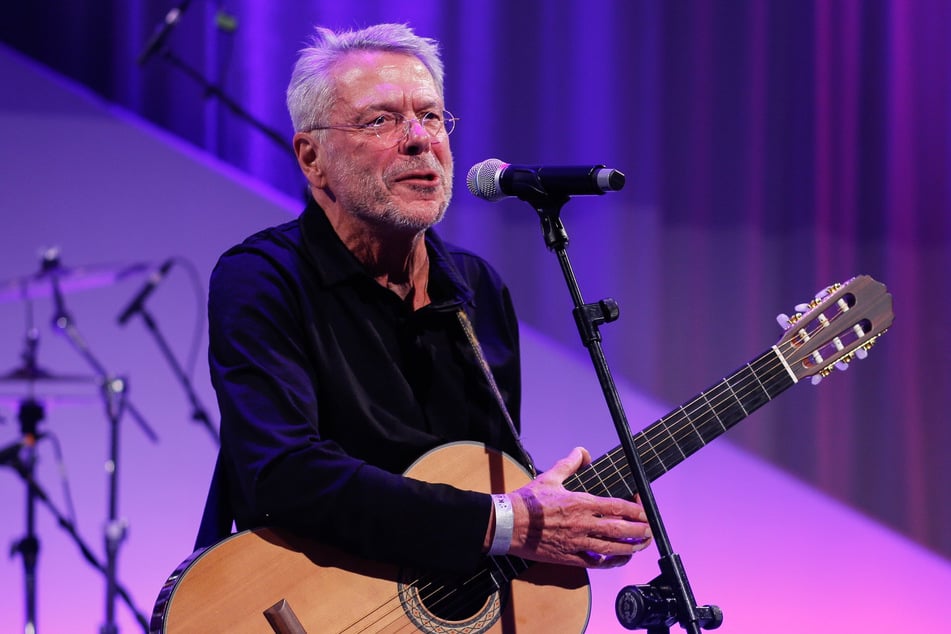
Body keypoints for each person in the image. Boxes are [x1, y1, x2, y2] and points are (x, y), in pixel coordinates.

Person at [198, 22, 652, 578]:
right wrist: (511, 523)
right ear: (312, 158)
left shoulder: (477, 287)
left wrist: (565, 528)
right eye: (381, 120)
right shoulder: (263, 279)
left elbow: (482, 483)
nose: (420, 139)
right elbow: (285, 475)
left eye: (432, 116)